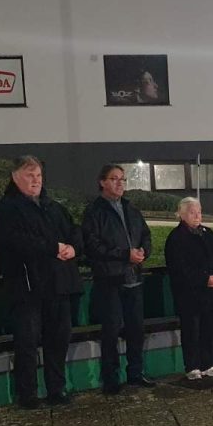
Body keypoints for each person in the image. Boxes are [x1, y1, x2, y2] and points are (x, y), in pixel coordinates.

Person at [0, 155, 83, 409]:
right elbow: (15, 241)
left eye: (39, 175)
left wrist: (73, 248)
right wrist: (53, 247)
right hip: (27, 287)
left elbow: (75, 231)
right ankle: (28, 394)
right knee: (27, 342)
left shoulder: (53, 207)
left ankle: (57, 388)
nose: (36, 180)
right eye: (29, 175)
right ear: (15, 177)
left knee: (59, 339)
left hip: (59, 284)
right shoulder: (7, 209)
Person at [81, 163, 155, 395]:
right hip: (110, 280)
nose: (120, 183)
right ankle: (111, 378)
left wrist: (143, 251)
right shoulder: (94, 212)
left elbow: (146, 235)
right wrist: (124, 255)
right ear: (102, 182)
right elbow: (93, 246)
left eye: (122, 179)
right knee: (111, 331)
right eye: (114, 179)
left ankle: (136, 372)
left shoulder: (131, 209)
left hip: (134, 278)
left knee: (136, 330)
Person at [165, 197, 213, 380]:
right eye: (192, 212)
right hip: (190, 295)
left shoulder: (208, 234)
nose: (197, 216)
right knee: (191, 330)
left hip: (211, 293)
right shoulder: (176, 238)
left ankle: (208, 363)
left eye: (199, 212)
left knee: (209, 329)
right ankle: (192, 366)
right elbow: (180, 268)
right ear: (182, 214)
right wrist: (204, 279)